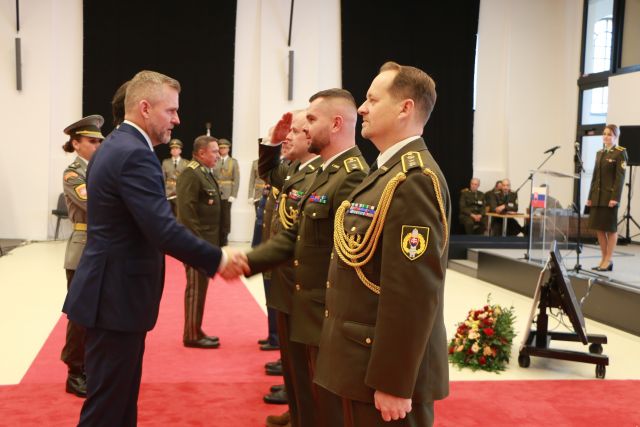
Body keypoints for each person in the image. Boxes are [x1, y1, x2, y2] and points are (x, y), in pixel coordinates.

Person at [62, 70, 229, 427]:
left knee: (119, 403)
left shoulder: (117, 146)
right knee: (106, 409)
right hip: (116, 298)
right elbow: (162, 230)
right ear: (144, 108)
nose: (177, 119)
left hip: (113, 295)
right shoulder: (133, 153)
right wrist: (219, 258)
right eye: (171, 110)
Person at [313, 62, 451, 427]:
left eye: (373, 100)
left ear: (405, 108)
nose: (362, 108)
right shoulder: (386, 172)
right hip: (359, 359)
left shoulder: (414, 179)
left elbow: (413, 292)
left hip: (382, 371)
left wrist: (394, 381)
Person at [230, 88, 368, 426]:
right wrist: (249, 261)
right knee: (303, 389)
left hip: (319, 303)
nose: (304, 128)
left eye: (311, 120)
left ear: (336, 124)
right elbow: (297, 234)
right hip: (299, 293)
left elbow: (345, 254)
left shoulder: (351, 174)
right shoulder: (324, 171)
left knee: (321, 401)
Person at [258, 110, 324, 426]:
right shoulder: (297, 170)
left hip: (303, 281)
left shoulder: (321, 173)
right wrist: (272, 141)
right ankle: (296, 411)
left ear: (311, 137)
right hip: (286, 276)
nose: (288, 137)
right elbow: (268, 170)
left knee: (307, 363)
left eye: (295, 132)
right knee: (293, 360)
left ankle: (303, 414)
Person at [60, 115, 105, 397]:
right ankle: (74, 372)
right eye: (91, 141)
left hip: (104, 248)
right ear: (76, 144)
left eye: (100, 141)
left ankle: (92, 366)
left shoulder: (101, 169)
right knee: (80, 315)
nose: (98, 146)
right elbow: (94, 203)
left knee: (100, 315)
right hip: (83, 249)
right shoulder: (73, 173)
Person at [176, 135, 223, 348]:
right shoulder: (191, 173)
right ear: (202, 153)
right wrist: (197, 246)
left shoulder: (204, 172)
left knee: (201, 287)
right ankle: (191, 335)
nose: (218, 155)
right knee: (195, 288)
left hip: (206, 244)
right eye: (214, 151)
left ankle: (196, 329)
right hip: (197, 245)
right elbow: (187, 215)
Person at [586, 124, 628, 271]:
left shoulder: (620, 153)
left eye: (609, 134)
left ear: (616, 136)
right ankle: (603, 258)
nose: (606, 136)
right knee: (599, 229)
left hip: (610, 198)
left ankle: (608, 259)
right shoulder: (600, 153)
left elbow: (620, 178)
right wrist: (590, 196)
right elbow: (595, 177)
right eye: (604, 134)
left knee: (610, 229)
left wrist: (615, 198)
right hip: (597, 197)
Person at [212, 138, 239, 245]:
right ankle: (216, 236)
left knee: (226, 216)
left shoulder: (233, 162)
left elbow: (236, 179)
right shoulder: (215, 160)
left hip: (227, 193)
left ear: (228, 149)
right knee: (216, 214)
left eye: (225, 148)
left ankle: (225, 237)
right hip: (216, 191)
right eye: (221, 148)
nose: (223, 150)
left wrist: (234, 194)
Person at [162, 138, 190, 214]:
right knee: (168, 214)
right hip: (168, 192)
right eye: (172, 149)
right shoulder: (165, 162)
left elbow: (188, 180)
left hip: (180, 192)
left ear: (180, 151)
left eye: (176, 148)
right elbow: (163, 178)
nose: (174, 150)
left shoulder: (186, 163)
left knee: (179, 215)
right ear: (170, 151)